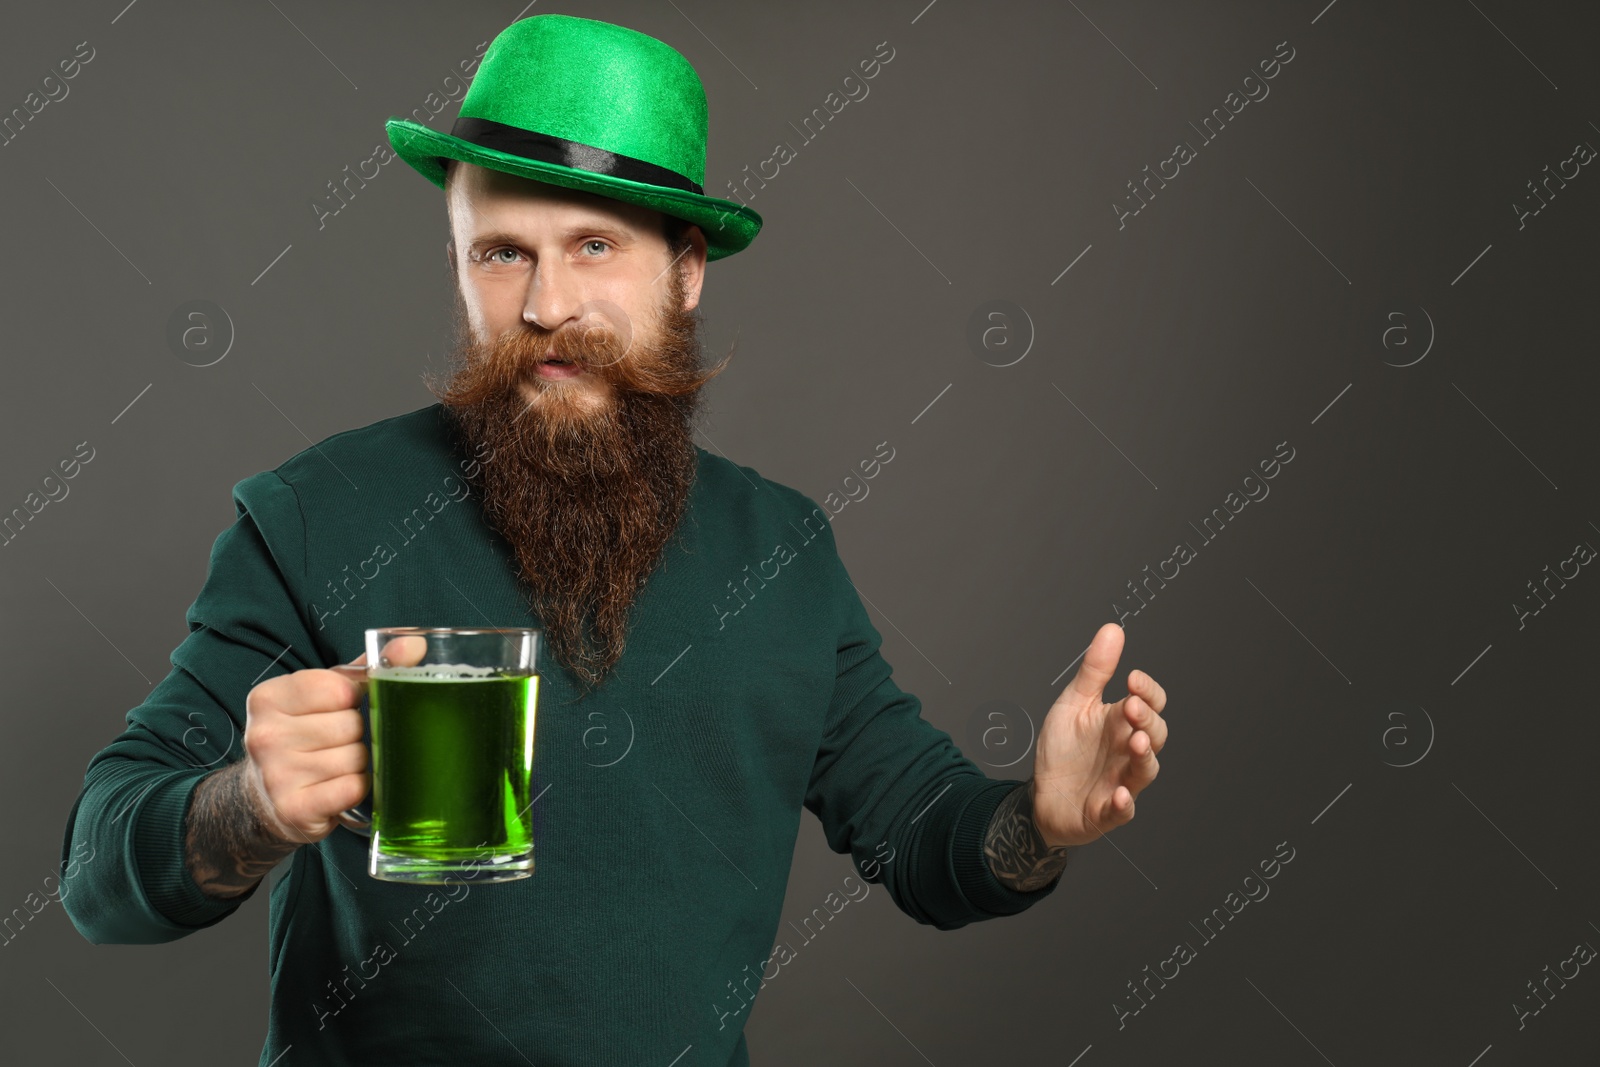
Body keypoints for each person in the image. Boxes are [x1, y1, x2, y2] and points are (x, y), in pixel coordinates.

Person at [60, 13, 1169, 1065]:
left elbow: (924, 836)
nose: (547, 303)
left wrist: (1038, 818)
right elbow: (99, 875)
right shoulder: (315, 512)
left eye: (594, 244)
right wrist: (244, 807)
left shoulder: (780, 548)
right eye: (500, 251)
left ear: (687, 269)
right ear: (455, 263)